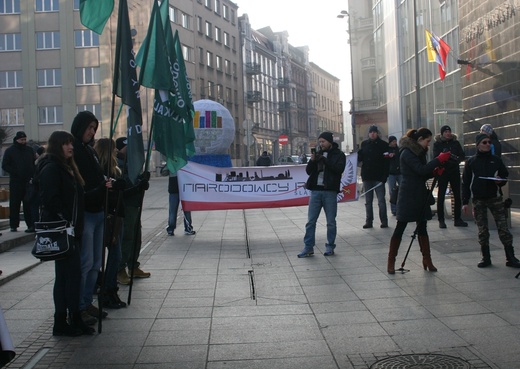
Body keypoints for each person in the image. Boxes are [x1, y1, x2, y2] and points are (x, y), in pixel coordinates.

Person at [34, 130, 94, 336]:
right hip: (63, 230)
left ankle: (67, 319)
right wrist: (66, 220)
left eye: (71, 144)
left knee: (67, 276)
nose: (71, 147)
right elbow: (50, 198)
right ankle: (67, 319)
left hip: (70, 229)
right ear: (56, 145)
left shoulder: (66, 167)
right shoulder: (52, 167)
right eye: (66, 144)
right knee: (70, 276)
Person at [387, 128, 451, 274]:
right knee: (400, 227)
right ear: (420, 139)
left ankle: (427, 259)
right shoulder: (407, 152)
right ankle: (391, 260)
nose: (428, 144)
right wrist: (438, 160)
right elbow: (420, 170)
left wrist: (434, 171)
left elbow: (422, 173)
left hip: (420, 194)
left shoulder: (418, 152)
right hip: (408, 194)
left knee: (422, 226)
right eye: (427, 141)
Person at [71, 111, 110, 325]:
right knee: (85, 263)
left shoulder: (90, 151)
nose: (92, 132)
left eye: (94, 128)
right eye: (89, 128)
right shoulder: (75, 150)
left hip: (99, 211)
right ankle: (78, 306)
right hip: (86, 213)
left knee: (96, 262)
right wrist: (95, 190)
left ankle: (87, 301)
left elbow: (97, 175)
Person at [461, 133, 520, 269]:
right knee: (482, 230)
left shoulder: (496, 160)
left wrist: (500, 180)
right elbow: (466, 182)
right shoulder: (472, 162)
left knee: (503, 228)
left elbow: (504, 175)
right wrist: (465, 201)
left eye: (489, 142)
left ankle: (510, 257)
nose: (488, 144)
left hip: (495, 198)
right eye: (485, 142)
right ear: (478, 145)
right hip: (479, 199)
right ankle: (485, 257)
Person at [298, 132, 346, 258]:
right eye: (320, 142)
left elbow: (339, 169)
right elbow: (308, 171)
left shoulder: (338, 154)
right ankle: (308, 247)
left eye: (323, 141)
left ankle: (330, 246)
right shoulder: (317, 154)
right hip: (315, 191)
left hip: (329, 191)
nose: (321, 144)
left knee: (330, 221)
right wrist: (313, 161)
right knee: (311, 221)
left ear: (330, 142)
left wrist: (325, 160)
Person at [93, 138, 127, 309]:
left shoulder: (114, 169)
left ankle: (107, 287)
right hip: (110, 215)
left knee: (114, 254)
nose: (116, 151)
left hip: (116, 213)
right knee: (115, 255)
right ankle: (107, 290)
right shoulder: (103, 169)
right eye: (113, 148)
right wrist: (116, 186)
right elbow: (107, 189)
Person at [116, 137, 151, 285]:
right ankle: (120, 269)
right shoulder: (117, 165)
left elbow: (135, 181)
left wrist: (143, 179)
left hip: (134, 204)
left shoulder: (132, 164)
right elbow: (122, 188)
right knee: (127, 237)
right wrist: (137, 186)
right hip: (125, 205)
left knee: (136, 236)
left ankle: (133, 265)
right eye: (126, 147)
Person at [432, 125, 467, 228]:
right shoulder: (437, 144)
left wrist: (454, 160)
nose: (448, 133)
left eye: (449, 131)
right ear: (442, 133)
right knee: (441, 195)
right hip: (443, 172)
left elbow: (462, 156)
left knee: (457, 196)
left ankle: (457, 219)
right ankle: (441, 220)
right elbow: (436, 157)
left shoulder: (455, 143)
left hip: (454, 172)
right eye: (446, 132)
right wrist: (445, 159)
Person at [1, 131, 36, 232]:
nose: (23, 142)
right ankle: (13, 225)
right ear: (17, 140)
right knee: (15, 204)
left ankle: (30, 224)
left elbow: (33, 163)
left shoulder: (29, 150)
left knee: (28, 204)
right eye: (21, 140)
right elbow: (5, 165)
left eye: (24, 140)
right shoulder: (10, 151)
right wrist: (15, 172)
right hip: (16, 181)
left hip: (28, 182)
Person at [358, 125, 390, 228]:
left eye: (374, 132)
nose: (372, 134)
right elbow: (360, 159)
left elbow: (386, 161)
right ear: (368, 134)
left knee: (381, 201)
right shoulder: (364, 144)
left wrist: (385, 176)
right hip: (367, 176)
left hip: (379, 176)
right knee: (368, 201)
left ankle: (384, 221)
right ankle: (369, 221)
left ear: (377, 133)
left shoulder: (384, 145)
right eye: (371, 132)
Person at [387, 135, 401, 216]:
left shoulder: (398, 149)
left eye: (395, 141)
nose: (395, 143)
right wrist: (388, 156)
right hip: (391, 173)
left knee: (401, 189)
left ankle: (401, 207)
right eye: (393, 141)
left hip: (399, 172)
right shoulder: (387, 150)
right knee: (392, 191)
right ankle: (394, 209)